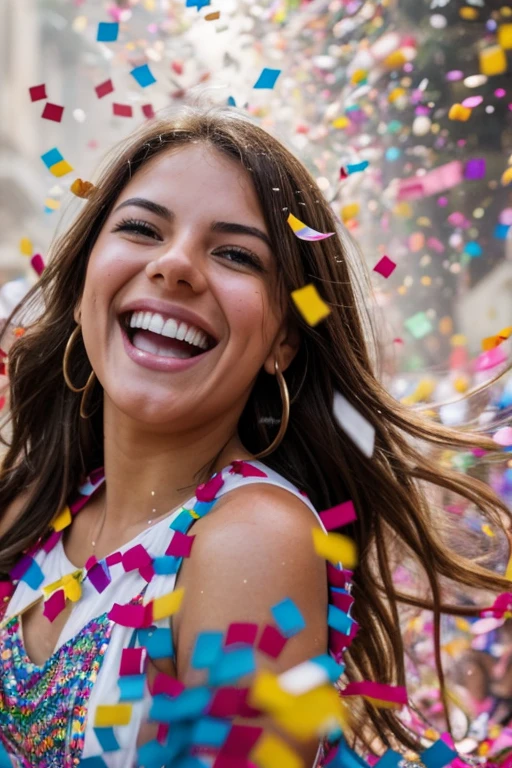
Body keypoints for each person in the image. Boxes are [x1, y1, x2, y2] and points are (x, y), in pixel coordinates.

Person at [0, 105, 510, 768]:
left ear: (284, 340)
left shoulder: (253, 539)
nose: (175, 265)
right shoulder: (37, 502)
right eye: (140, 228)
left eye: (236, 254)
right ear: (83, 285)